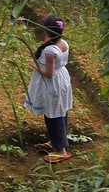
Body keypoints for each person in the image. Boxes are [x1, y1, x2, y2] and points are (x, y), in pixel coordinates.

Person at [25, 13, 73, 162]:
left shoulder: (49, 51)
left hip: (52, 85)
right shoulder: (63, 43)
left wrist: (34, 64)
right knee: (60, 111)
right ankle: (57, 141)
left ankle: (61, 150)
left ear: (45, 30)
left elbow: (48, 73)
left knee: (53, 115)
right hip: (62, 80)